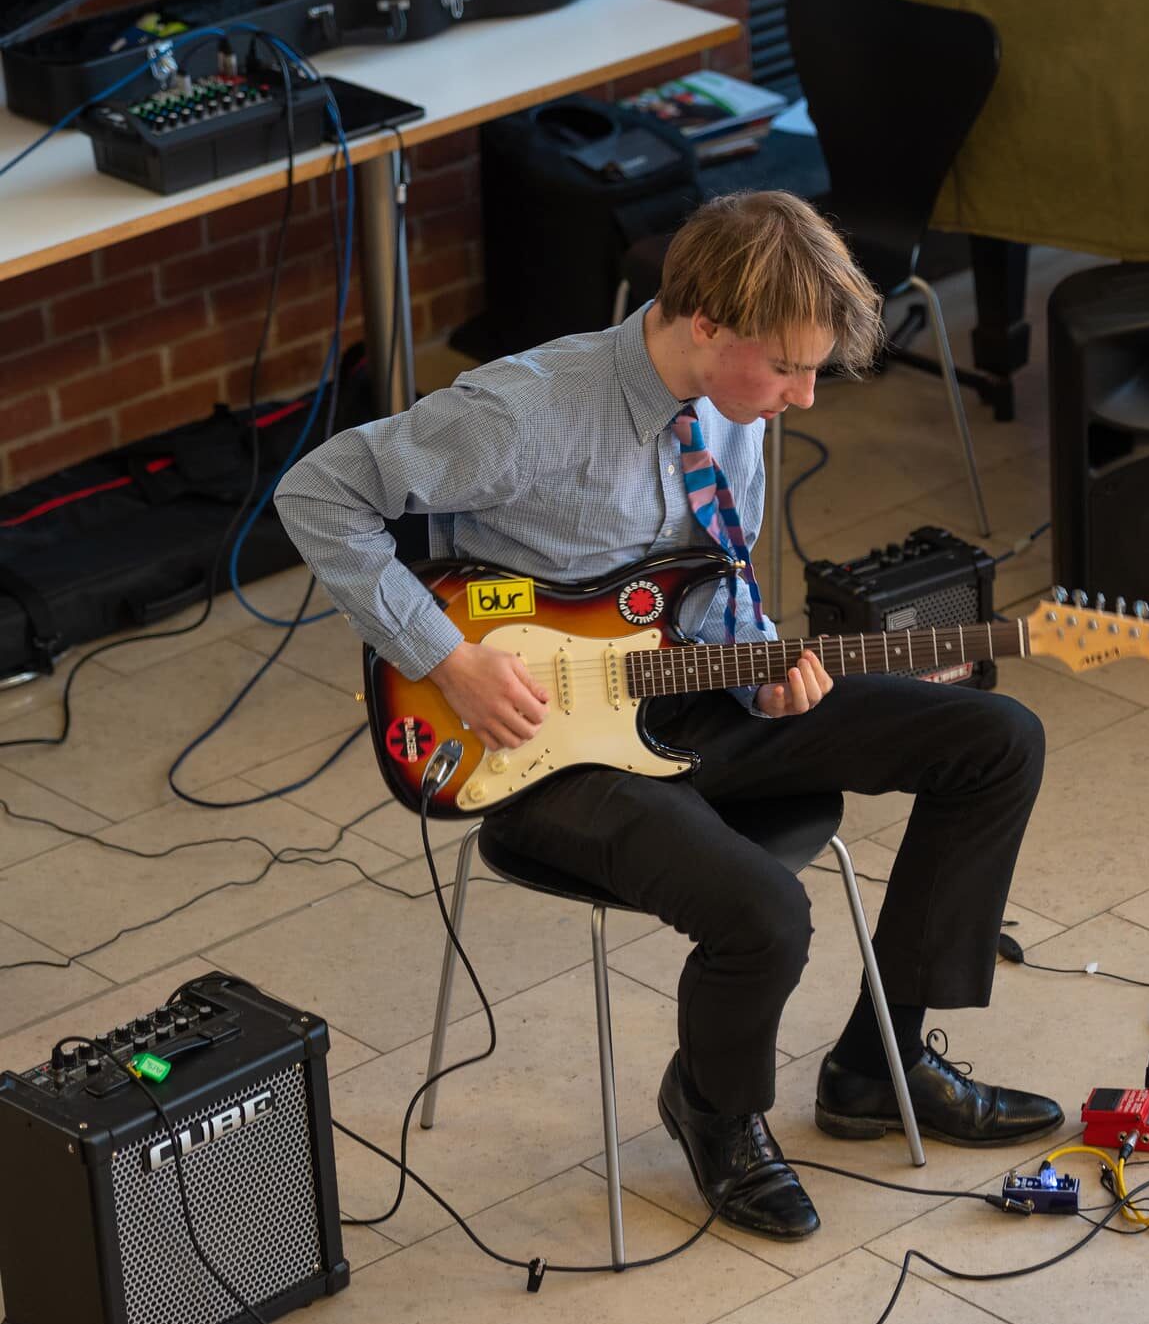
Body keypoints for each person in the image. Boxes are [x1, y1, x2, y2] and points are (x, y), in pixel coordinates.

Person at [275, 190, 1060, 1242]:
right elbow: (316, 493)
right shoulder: (523, 410)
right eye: (787, 366)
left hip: (686, 694)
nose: (804, 396)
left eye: (813, 368)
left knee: (995, 739)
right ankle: (716, 1111)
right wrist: (446, 657)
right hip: (532, 750)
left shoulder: (732, 411)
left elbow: (704, 581)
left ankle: (880, 1064)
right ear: (705, 325)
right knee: (763, 910)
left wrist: (766, 665)